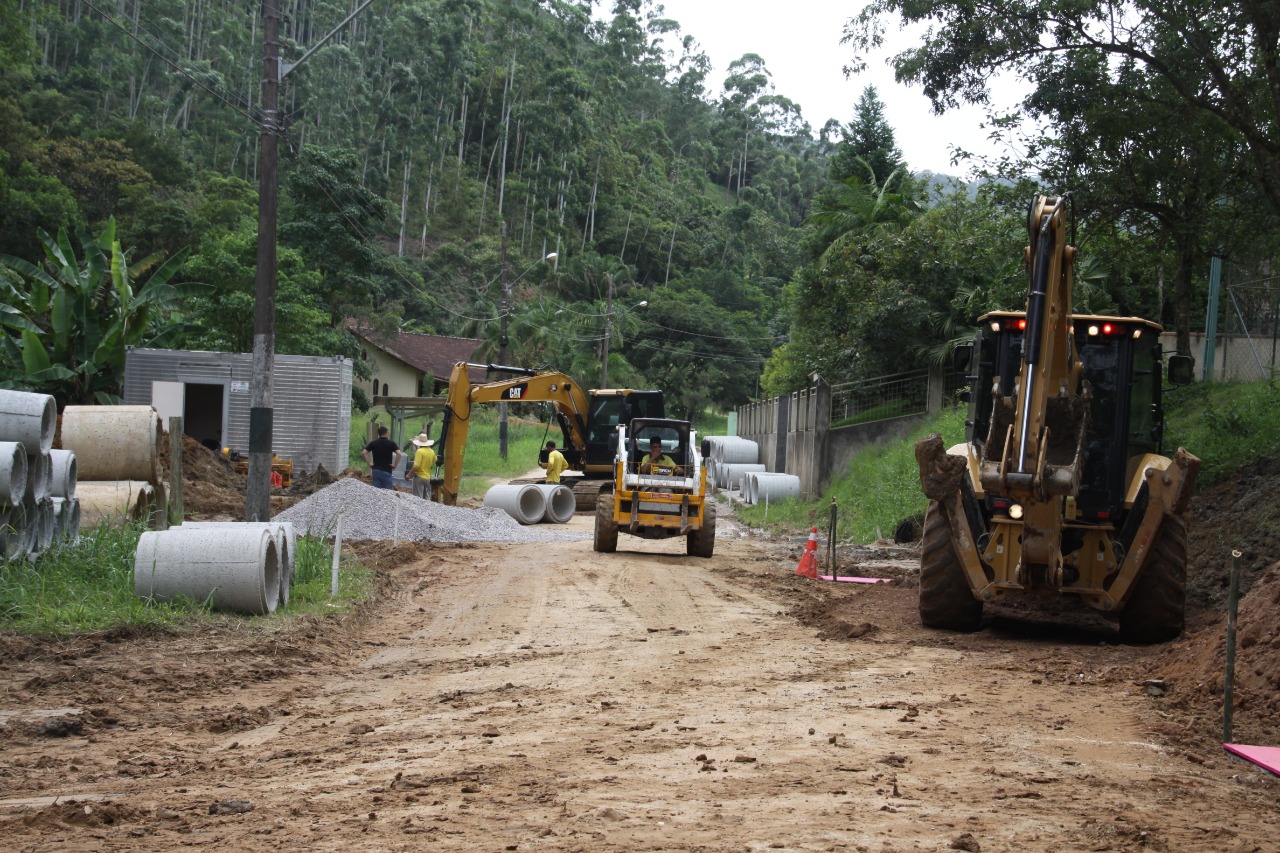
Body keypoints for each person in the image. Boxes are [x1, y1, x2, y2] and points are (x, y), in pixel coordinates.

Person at [362, 425, 401, 489]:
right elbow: (399, 454)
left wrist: (369, 464)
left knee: (377, 492)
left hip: (376, 470)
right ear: (386, 433)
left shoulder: (373, 443)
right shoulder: (391, 443)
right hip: (387, 470)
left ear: (379, 434)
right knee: (389, 493)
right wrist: (395, 465)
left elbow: (364, 453)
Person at [405, 432, 437, 500]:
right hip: (427, 477)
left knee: (418, 498)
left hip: (419, 477)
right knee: (426, 498)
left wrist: (409, 475)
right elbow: (435, 459)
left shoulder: (419, 451)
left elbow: (416, 466)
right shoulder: (432, 451)